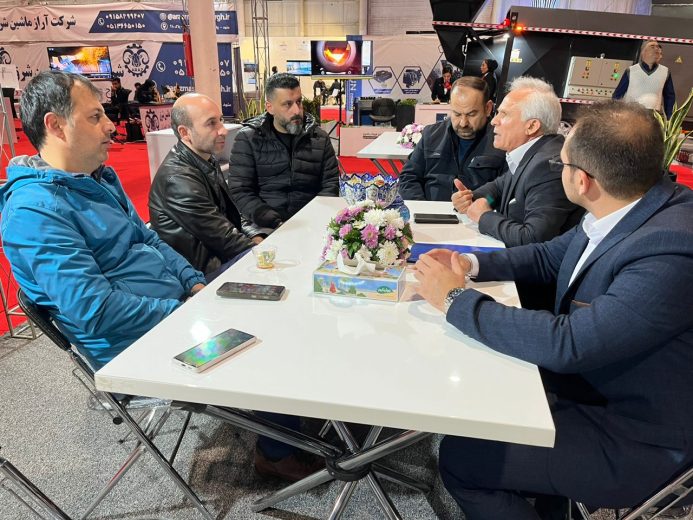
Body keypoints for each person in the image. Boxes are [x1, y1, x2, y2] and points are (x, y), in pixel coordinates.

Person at [414, 99, 693, 520]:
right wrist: (468, 264)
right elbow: (549, 256)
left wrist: (455, 300)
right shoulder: (631, 203)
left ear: (582, 180)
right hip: (594, 389)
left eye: (561, 162)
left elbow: (571, 343)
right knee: (486, 393)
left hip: (639, 436)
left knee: (462, 459)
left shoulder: (670, 248)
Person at [0, 70, 206, 372]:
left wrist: (193, 282)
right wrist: (182, 312)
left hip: (173, 316)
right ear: (56, 125)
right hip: (138, 350)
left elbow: (147, 238)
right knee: (259, 364)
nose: (110, 126)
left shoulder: (98, 178)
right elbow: (95, 310)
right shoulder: (34, 212)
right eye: (95, 117)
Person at [452, 76, 582, 310]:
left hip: (529, 295)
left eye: (503, 114)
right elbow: (499, 188)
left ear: (532, 126)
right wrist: (472, 198)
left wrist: (483, 216)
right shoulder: (533, 153)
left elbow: (533, 239)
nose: (494, 121)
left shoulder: (547, 166)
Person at [149, 93, 264, 282]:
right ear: (185, 133)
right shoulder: (177, 179)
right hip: (203, 274)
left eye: (221, 120)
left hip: (221, 257)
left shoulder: (205, 159)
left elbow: (231, 213)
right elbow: (223, 238)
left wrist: (255, 235)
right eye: (211, 123)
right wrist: (262, 253)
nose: (223, 130)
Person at [228, 73, 339, 230]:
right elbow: (240, 191)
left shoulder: (319, 138)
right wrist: (273, 221)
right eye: (287, 104)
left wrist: (316, 219)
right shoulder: (248, 139)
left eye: (299, 102)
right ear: (270, 107)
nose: (296, 110)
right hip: (264, 224)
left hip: (312, 223)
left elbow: (330, 185)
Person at [399, 76, 505, 199]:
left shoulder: (504, 142)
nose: (463, 123)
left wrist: (485, 203)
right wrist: (421, 206)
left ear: (488, 108)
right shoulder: (431, 134)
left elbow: (506, 192)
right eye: (457, 114)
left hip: (478, 211)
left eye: (471, 114)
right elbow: (408, 177)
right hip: (430, 209)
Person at [613, 39, 675, 118]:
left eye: (658, 47)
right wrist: (615, 113)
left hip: (653, 115)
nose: (656, 48)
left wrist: (669, 118)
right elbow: (618, 95)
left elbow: (669, 97)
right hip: (631, 114)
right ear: (643, 52)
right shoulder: (631, 70)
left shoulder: (665, 72)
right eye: (652, 46)